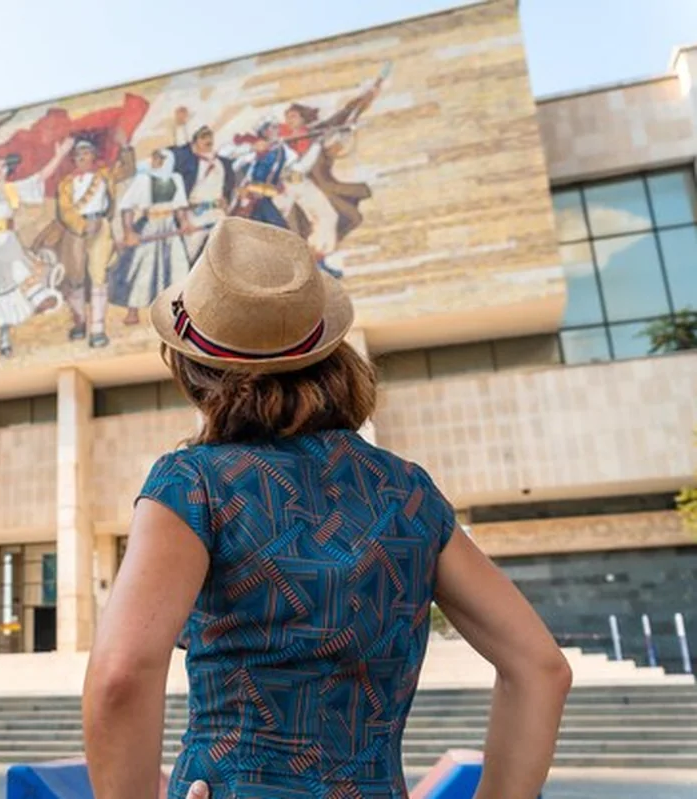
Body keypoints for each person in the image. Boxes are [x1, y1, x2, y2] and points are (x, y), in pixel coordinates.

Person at [83, 218, 571, 799]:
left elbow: (120, 676)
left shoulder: (195, 484)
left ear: (194, 369)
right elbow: (542, 668)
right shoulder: (409, 493)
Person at [0, 139, 70, 366]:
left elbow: (40, 177)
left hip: (9, 243)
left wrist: (59, 155)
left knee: (13, 288)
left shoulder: (13, 189)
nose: (1, 170)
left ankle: (5, 341)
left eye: (4, 167)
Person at [52, 137, 136, 347]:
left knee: (99, 278)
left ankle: (97, 329)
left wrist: (125, 147)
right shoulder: (66, 184)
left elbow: (128, 170)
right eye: (78, 154)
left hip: (100, 226)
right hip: (76, 231)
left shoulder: (104, 175)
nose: (81, 157)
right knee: (76, 278)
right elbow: (65, 210)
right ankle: (80, 322)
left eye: (86, 153)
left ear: (93, 155)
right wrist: (81, 225)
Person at [108, 149, 193, 327]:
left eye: (159, 158)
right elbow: (128, 208)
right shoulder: (143, 180)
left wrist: (184, 222)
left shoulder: (175, 179)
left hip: (170, 227)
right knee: (142, 267)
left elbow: (180, 206)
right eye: (154, 157)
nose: (155, 161)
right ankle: (133, 312)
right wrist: (129, 231)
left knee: (177, 267)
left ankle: (176, 311)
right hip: (150, 227)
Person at [169, 109, 235, 262]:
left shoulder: (223, 163)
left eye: (209, 135)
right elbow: (180, 151)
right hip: (195, 218)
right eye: (202, 137)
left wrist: (226, 202)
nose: (208, 140)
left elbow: (229, 186)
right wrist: (184, 221)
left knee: (225, 256)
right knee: (193, 260)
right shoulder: (188, 164)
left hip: (218, 215)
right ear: (194, 142)